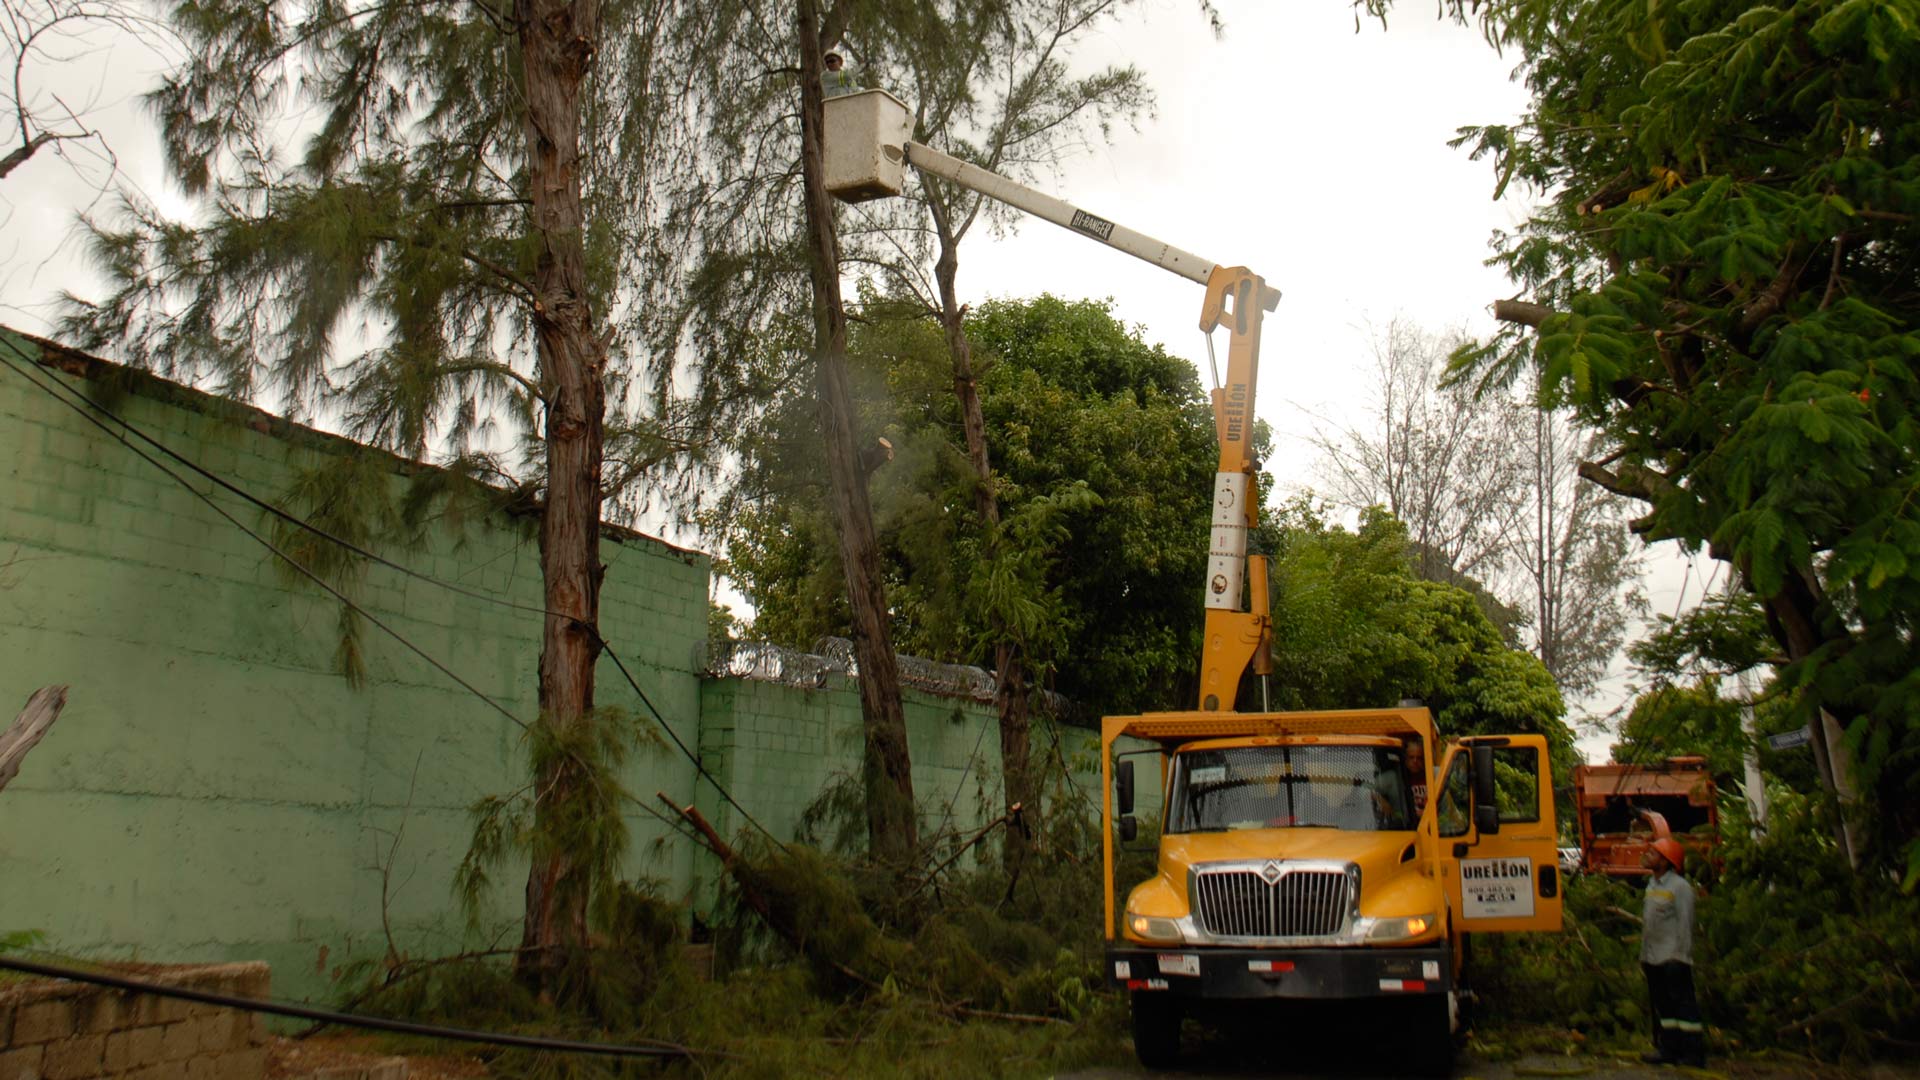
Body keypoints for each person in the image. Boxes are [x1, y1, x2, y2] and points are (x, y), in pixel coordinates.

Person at [1640, 837, 1706, 1067]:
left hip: (1673, 958)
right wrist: (1645, 956)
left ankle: (1693, 1053)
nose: (1648, 855)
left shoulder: (1680, 888)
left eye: (1654, 853)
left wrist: (1681, 956)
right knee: (1664, 1007)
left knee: (1684, 1006)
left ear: (1666, 861)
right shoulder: (1652, 885)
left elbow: (1686, 924)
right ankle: (1669, 1049)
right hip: (1653, 957)